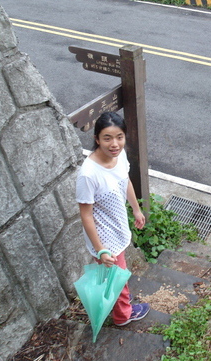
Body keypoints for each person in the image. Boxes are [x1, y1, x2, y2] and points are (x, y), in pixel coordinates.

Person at [76, 111, 150, 326]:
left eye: (119, 137)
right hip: (104, 238)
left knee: (115, 275)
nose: (114, 143)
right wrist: (100, 249)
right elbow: (86, 215)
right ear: (96, 139)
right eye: (107, 138)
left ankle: (119, 303)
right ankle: (123, 316)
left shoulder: (119, 156)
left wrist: (136, 209)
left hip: (118, 227)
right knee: (116, 277)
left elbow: (124, 179)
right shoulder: (88, 174)